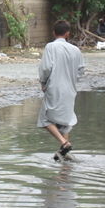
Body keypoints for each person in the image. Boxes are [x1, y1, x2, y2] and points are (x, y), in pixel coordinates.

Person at [37, 20, 85, 159]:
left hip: (54, 87)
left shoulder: (50, 47)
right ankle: (63, 154)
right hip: (70, 89)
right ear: (67, 34)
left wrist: (43, 82)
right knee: (66, 120)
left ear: (53, 33)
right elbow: (81, 69)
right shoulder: (75, 49)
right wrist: (73, 80)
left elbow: (45, 67)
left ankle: (64, 143)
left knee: (45, 119)